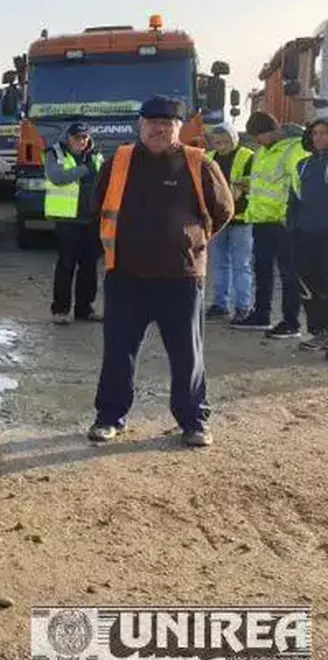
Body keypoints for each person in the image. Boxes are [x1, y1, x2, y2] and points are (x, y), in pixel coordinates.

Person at [88, 96, 234, 447]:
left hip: (180, 278)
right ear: (140, 125)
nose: (159, 129)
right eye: (152, 122)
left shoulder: (198, 163)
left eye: (167, 124)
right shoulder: (118, 161)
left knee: (187, 354)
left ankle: (194, 421)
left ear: (178, 128)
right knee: (118, 352)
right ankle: (109, 418)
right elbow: (97, 207)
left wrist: (192, 242)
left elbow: (224, 209)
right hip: (126, 276)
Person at [231, 111, 309, 338]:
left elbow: (298, 186)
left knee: (288, 274)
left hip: (283, 223)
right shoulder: (262, 152)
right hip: (262, 220)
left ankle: (291, 322)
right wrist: (245, 183)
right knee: (262, 269)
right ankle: (261, 314)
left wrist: (292, 218)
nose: (256, 141)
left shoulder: (294, 149)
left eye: (259, 136)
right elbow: (264, 183)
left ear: (271, 131)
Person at [44, 122, 104, 324]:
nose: (82, 141)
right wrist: (84, 170)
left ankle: (84, 309)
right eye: (78, 137)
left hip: (91, 219)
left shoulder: (95, 155)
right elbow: (57, 177)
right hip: (68, 220)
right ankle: (60, 310)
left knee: (89, 267)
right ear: (68, 138)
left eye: (85, 137)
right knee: (66, 266)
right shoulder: (55, 154)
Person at [204, 123, 256, 323]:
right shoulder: (209, 158)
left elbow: (253, 185)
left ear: (234, 139)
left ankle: (243, 307)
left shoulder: (247, 156)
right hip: (218, 221)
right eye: (217, 142)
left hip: (241, 218)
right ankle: (221, 305)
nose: (222, 146)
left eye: (225, 141)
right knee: (219, 265)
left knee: (241, 265)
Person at [289, 119, 328, 351]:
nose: (319, 138)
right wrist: (292, 228)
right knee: (308, 285)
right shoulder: (303, 165)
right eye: (315, 133)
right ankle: (318, 331)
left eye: (324, 133)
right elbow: (294, 199)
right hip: (305, 235)